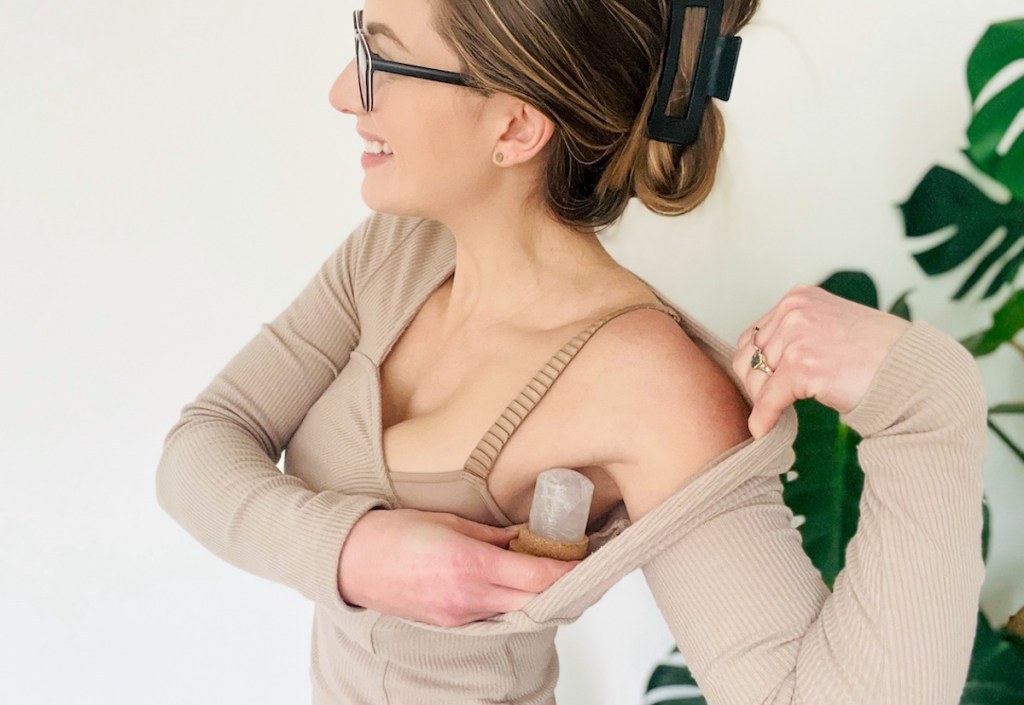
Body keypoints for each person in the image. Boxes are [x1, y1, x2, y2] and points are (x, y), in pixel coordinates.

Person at [155, 0, 988, 702]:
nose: (344, 93)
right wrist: (354, 552)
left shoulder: (649, 383)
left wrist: (929, 408)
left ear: (515, 126)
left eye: (381, 58)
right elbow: (200, 447)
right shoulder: (394, 254)